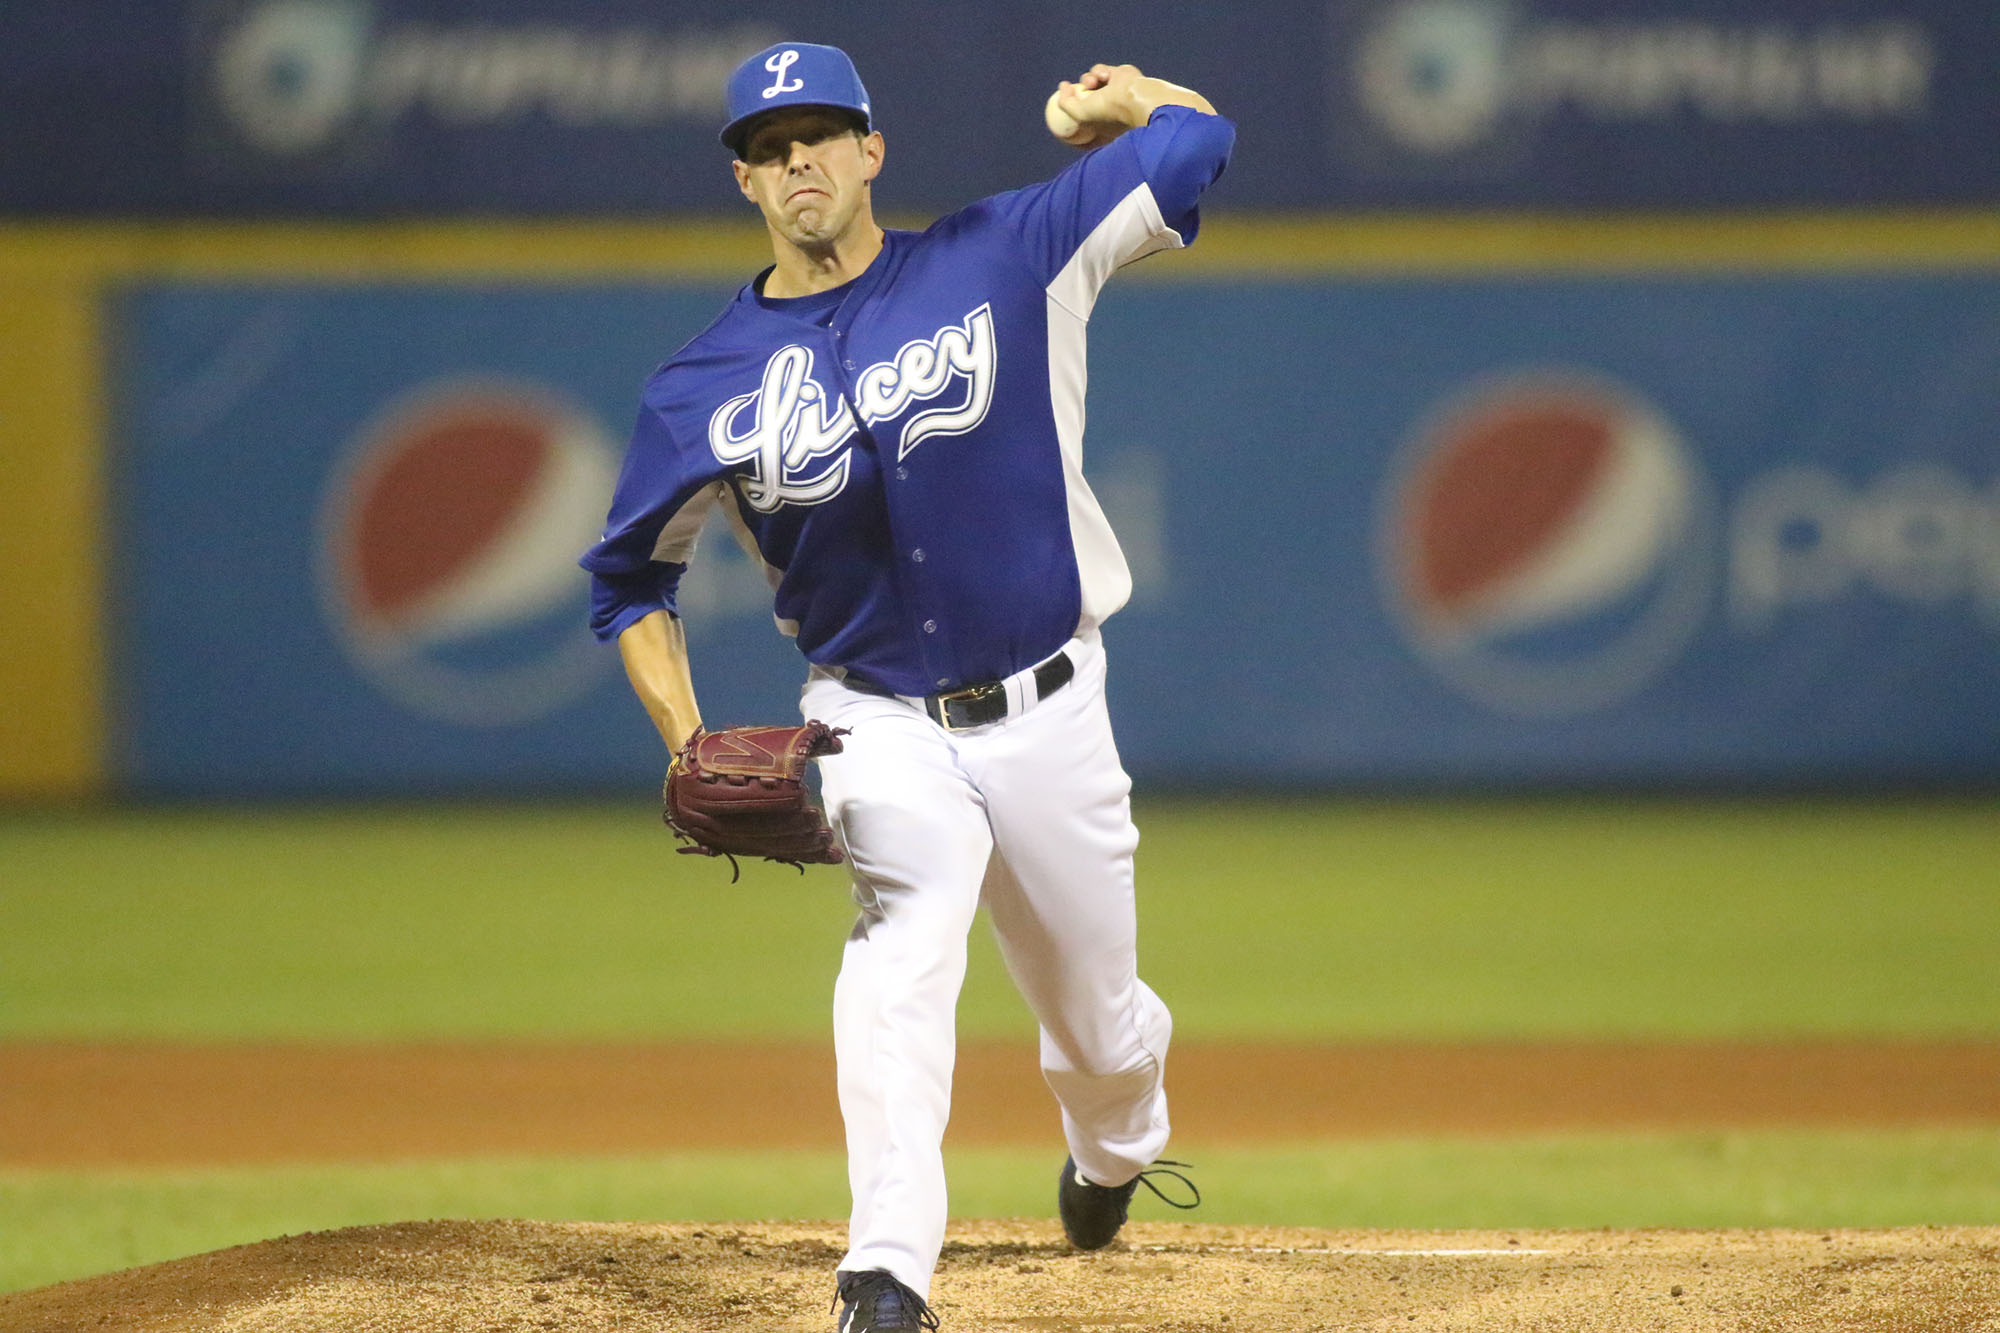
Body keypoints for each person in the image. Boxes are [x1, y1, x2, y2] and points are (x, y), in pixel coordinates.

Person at [580, 41, 1233, 1332]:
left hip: (1049, 704)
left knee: (1101, 1029)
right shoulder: (700, 385)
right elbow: (628, 584)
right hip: (870, 718)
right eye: (767, 148)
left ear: (873, 150)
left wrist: (1137, 100)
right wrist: (685, 735)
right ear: (743, 183)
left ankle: (1111, 1149)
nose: (796, 161)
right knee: (898, 951)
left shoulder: (1006, 253)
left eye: (819, 134)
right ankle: (884, 1271)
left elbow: (1201, 146)